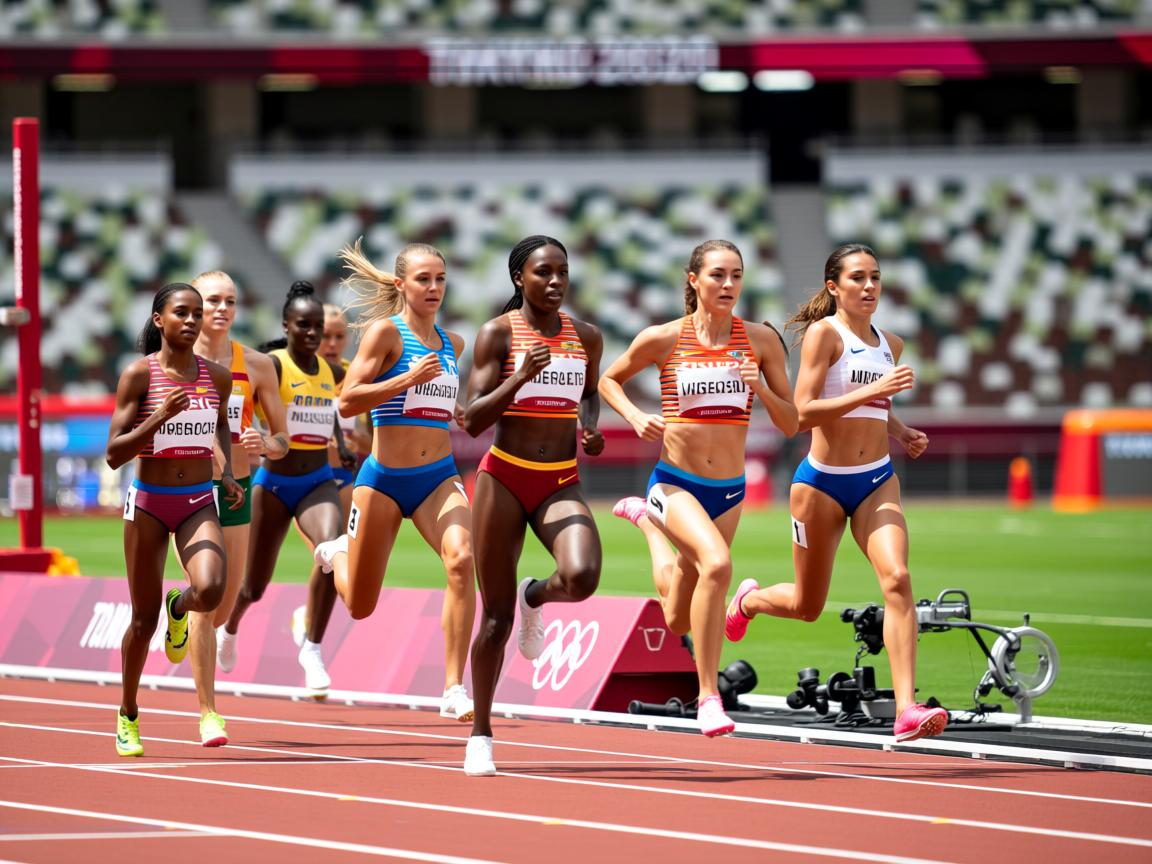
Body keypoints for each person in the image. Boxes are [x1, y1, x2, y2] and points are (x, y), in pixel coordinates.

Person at [722, 243, 948, 743]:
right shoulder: (826, 336)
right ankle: (750, 602)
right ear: (834, 287)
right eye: (857, 278)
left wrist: (901, 430)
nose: (869, 287)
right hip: (820, 484)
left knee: (898, 578)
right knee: (807, 604)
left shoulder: (892, 342)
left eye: (875, 278)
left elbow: (876, 408)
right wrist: (874, 391)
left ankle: (907, 708)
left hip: (876, 480)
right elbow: (802, 411)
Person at [599, 239, 797, 738]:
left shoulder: (762, 342)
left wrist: (762, 387)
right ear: (694, 280)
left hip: (727, 490)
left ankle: (647, 524)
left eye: (736, 275)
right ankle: (708, 696)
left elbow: (792, 422)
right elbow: (608, 380)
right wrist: (635, 415)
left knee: (675, 620)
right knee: (718, 564)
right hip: (676, 482)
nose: (728, 285)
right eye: (717, 275)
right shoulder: (664, 338)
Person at [311, 240, 477, 722]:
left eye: (440, 279)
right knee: (360, 605)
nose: (433, 288)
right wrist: (403, 381)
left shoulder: (454, 344)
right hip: (382, 481)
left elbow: (437, 401)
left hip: (438, 478)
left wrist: (456, 409)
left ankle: (452, 687)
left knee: (463, 560)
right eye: (423, 279)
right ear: (402, 284)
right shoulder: (387, 333)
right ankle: (336, 552)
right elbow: (347, 401)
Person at [459, 235, 604, 776]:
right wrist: (519, 377)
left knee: (583, 575)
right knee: (494, 620)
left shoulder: (586, 335)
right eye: (544, 272)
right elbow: (470, 418)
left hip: (559, 480)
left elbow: (588, 391)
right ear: (520, 278)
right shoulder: (497, 333)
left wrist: (589, 428)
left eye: (563, 272)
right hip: (503, 481)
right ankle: (481, 734)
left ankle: (536, 595)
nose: (556, 282)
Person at [105, 282, 244, 756]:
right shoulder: (138, 375)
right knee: (142, 621)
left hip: (196, 500)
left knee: (210, 590)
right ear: (159, 319)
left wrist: (224, 472)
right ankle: (128, 714)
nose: (191, 320)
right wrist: (158, 417)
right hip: (147, 503)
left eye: (197, 313)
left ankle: (179, 609)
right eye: (181, 312)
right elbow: (113, 455)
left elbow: (222, 426)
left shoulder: (218, 377)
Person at [222, 280, 355, 698]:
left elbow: (330, 406)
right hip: (274, 483)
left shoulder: (333, 371)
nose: (314, 334)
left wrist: (345, 443)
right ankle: (230, 627)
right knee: (253, 586)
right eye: (305, 325)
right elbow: (247, 399)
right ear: (287, 325)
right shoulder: (273, 365)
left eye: (318, 326)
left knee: (332, 550)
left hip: (318, 481)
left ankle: (312, 648)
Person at [182, 270, 289, 746]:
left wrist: (264, 442)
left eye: (229, 301)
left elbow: (285, 440)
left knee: (223, 605)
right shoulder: (170, 362)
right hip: (183, 491)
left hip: (236, 490)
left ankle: (176, 604)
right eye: (211, 301)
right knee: (208, 598)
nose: (221, 309)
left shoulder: (259, 366)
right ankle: (208, 712)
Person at [320, 304, 371, 522]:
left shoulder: (357, 376)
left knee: (340, 552)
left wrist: (352, 436)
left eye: (339, 336)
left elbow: (371, 445)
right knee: (323, 549)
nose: (333, 343)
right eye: (326, 336)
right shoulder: (293, 373)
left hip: (343, 476)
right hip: (304, 476)